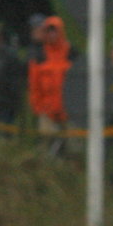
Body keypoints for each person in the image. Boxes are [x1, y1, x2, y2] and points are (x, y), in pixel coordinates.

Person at [28, 15, 72, 153]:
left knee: (73, 150)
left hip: (70, 112)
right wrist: (38, 108)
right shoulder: (39, 55)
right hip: (47, 112)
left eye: (54, 30)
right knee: (47, 150)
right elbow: (34, 86)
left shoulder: (72, 53)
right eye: (48, 31)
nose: (52, 34)